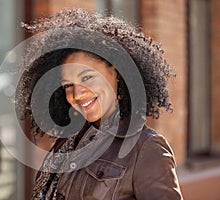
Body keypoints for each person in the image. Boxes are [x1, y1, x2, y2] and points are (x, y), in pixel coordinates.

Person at [17, 8, 184, 200]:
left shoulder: (145, 147)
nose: (77, 94)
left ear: (117, 72)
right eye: (68, 86)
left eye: (87, 77)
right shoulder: (69, 142)